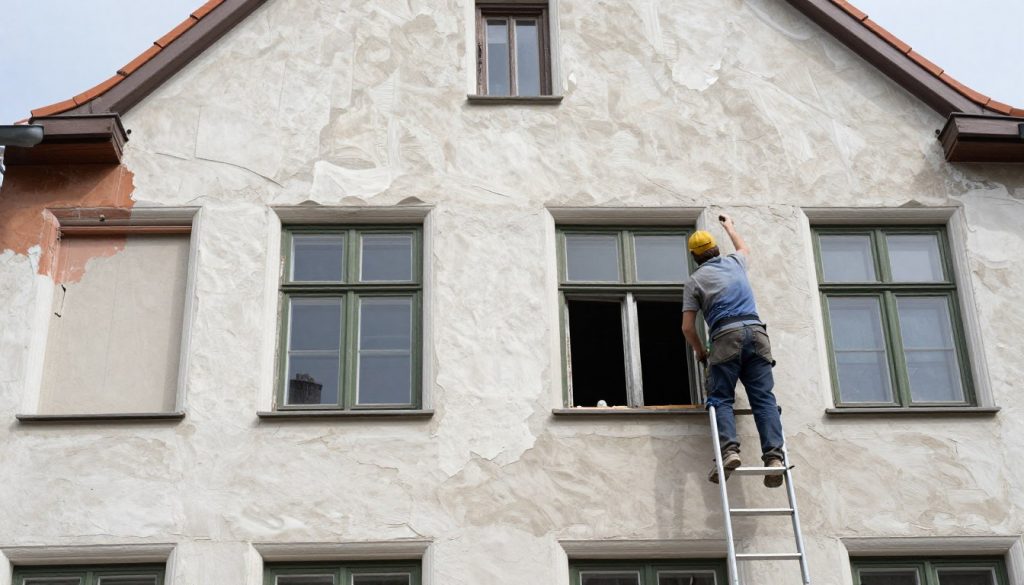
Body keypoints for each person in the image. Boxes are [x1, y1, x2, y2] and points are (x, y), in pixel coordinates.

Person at [681, 214, 785, 488]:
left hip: (726, 336)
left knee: (720, 398)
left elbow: (688, 328)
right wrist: (730, 227)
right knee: (763, 398)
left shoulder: (694, 281)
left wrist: (702, 352)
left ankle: (729, 452)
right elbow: (744, 248)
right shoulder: (735, 262)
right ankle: (774, 458)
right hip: (757, 334)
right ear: (715, 248)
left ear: (694, 256)